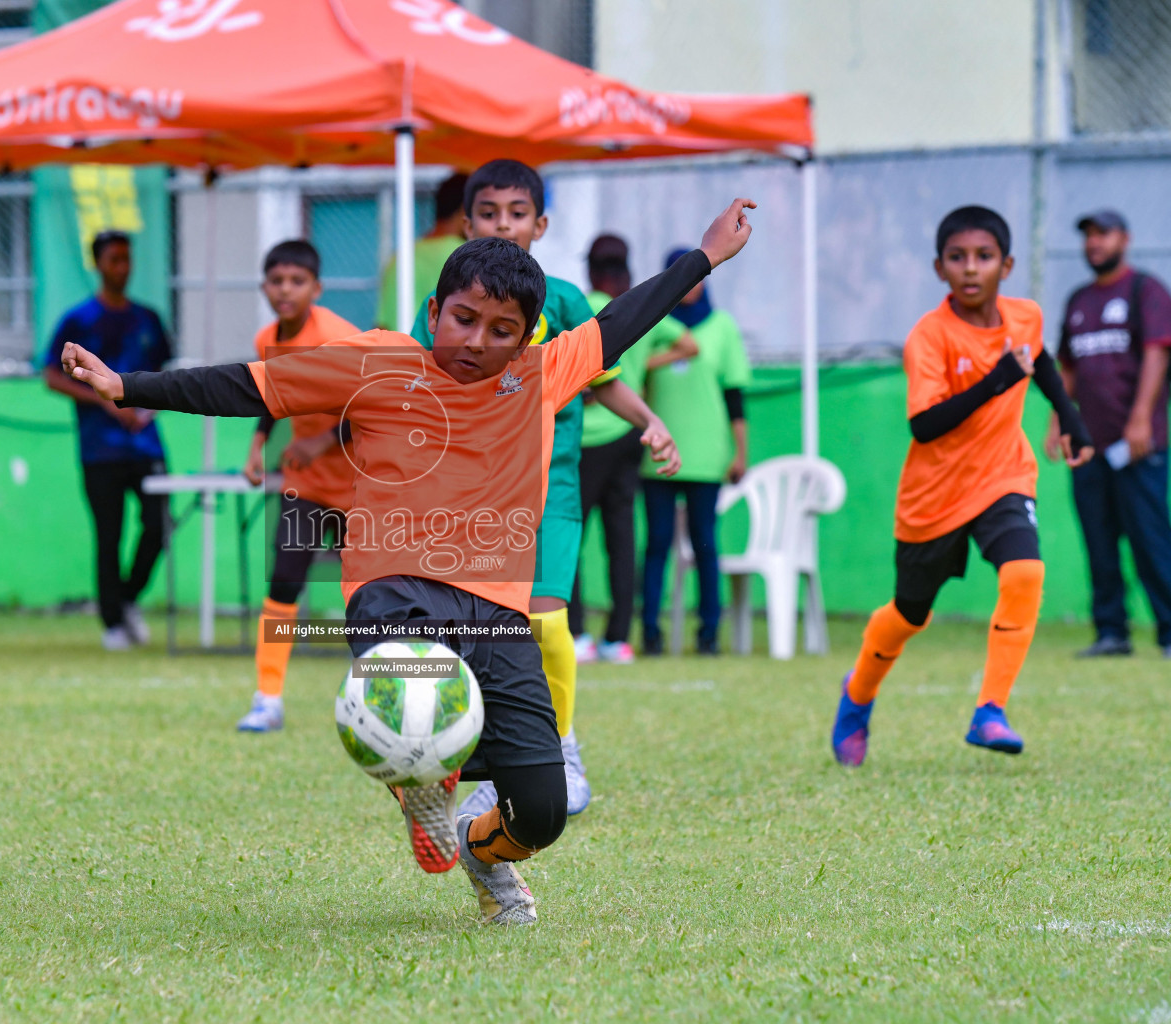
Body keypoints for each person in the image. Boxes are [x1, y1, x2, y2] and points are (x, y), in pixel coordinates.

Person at [61, 198, 756, 924]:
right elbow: (249, 384)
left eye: (501, 331)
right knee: (407, 688)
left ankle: (482, 852)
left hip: (498, 614)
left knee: (543, 813)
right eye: (463, 318)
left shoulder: (540, 377)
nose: (477, 342)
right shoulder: (378, 362)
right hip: (394, 591)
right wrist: (126, 385)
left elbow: (623, 321)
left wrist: (703, 258)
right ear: (434, 308)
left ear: (526, 339)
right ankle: (420, 776)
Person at [408, 160, 678, 821]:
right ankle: (484, 754)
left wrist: (651, 421)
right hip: (474, 494)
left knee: (546, 618)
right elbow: (419, 382)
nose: (505, 224)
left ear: (541, 224)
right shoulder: (441, 307)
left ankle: (561, 747)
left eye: (518, 213)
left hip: (550, 481)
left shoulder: (563, 301)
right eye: (491, 213)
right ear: (465, 225)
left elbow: (601, 376)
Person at [831, 206, 1094, 768]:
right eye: (958, 258)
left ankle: (990, 711)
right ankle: (857, 694)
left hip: (1004, 476)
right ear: (939, 268)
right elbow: (924, 425)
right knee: (909, 615)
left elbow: (1039, 359)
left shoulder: (1024, 316)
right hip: (934, 498)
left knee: (1025, 572)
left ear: (1007, 265)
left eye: (984, 257)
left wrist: (1070, 417)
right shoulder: (928, 337)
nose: (971, 269)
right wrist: (996, 379)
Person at [236, 240, 361, 731]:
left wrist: (324, 442)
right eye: (276, 280)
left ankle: (379, 694)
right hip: (306, 484)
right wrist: (257, 446)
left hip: (359, 484)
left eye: (297, 281)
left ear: (317, 288)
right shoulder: (267, 337)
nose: (285, 290)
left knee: (367, 596)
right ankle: (267, 697)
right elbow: (274, 394)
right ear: (264, 286)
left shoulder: (337, 337)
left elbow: (374, 403)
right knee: (285, 581)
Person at [1049, 209, 1171, 659]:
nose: (1094, 243)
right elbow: (1068, 366)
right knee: (1098, 540)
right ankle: (1111, 632)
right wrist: (1059, 419)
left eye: (1103, 234)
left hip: (1138, 446)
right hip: (1090, 446)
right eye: (1088, 236)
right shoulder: (1079, 299)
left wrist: (1141, 416)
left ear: (1125, 238)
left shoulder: (1146, 290)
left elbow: (1158, 352)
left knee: (1150, 538)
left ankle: (1169, 631)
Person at [43, 231, 173, 651]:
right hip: (101, 449)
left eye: (127, 259)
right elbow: (52, 376)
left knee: (159, 526)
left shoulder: (148, 319)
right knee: (109, 534)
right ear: (98, 264)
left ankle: (129, 598)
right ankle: (113, 622)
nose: (123, 267)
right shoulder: (79, 320)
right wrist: (104, 403)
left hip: (146, 445)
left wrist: (147, 408)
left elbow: (167, 375)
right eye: (114, 259)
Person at [637, 248, 752, 656]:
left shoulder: (722, 327)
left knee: (705, 545)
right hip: (658, 455)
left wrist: (740, 454)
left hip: (707, 456)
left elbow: (735, 397)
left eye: (697, 276)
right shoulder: (651, 324)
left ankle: (708, 635)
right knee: (657, 544)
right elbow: (634, 374)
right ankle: (649, 632)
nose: (692, 285)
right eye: (682, 276)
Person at [571, 235, 650, 665]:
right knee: (621, 540)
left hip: (587, 440)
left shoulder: (582, 307)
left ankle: (578, 634)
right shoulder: (639, 305)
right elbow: (688, 343)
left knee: (571, 536)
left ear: (591, 270)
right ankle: (618, 638)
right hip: (628, 434)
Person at [374, 172, 468, 331]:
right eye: (486, 212)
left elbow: (383, 326)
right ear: (465, 210)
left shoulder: (401, 257)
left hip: (397, 352)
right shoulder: (468, 258)